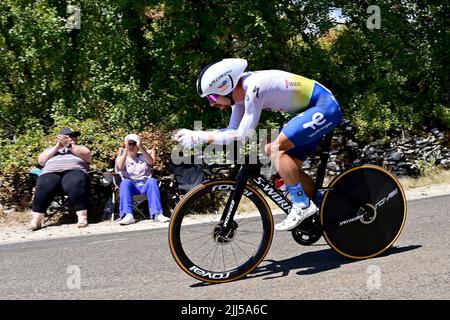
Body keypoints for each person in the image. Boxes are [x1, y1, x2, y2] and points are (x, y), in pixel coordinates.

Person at [175, 58, 343, 231]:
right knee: (288, 169)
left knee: (275, 149)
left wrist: (200, 136)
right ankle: (325, 206)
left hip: (324, 106)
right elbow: (231, 130)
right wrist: (198, 135)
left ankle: (302, 205)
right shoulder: (239, 98)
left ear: (224, 87)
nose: (211, 103)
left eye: (211, 97)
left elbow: (241, 135)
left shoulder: (254, 88)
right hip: (309, 111)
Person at [29, 128, 92, 231]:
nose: (73, 138)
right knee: (44, 183)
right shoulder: (51, 149)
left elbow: (88, 157)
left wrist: (70, 146)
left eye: (73, 136)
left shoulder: (79, 148)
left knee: (77, 181)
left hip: (74, 170)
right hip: (51, 172)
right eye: (69, 136)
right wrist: (57, 147)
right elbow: (41, 161)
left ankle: (82, 217)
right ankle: (36, 220)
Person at [115, 133, 169, 225]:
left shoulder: (143, 156)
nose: (132, 146)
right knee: (125, 182)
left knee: (152, 181)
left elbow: (151, 162)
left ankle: (157, 214)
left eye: (134, 143)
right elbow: (119, 167)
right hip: (131, 186)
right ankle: (128, 215)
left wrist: (140, 147)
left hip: (145, 185)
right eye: (129, 143)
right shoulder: (121, 157)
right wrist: (126, 150)